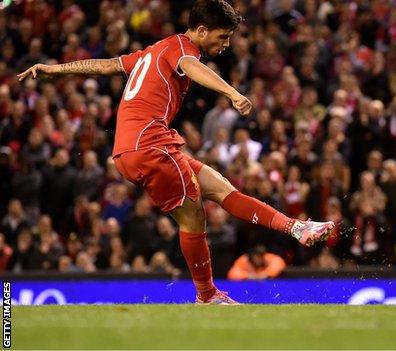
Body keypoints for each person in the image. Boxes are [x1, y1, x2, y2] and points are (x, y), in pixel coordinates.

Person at [18, 0, 334, 304]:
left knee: (220, 188)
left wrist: (55, 69)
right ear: (199, 30)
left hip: (140, 146)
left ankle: (297, 227)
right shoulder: (182, 49)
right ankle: (207, 295)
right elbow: (191, 67)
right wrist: (232, 92)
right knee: (193, 215)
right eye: (222, 36)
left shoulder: (153, 51)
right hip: (149, 145)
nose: (226, 44)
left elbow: (105, 65)